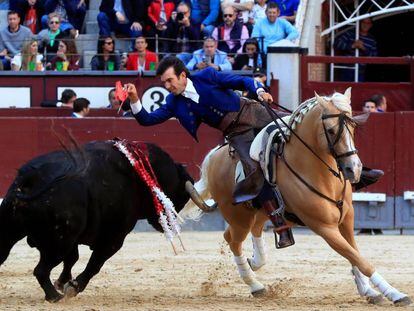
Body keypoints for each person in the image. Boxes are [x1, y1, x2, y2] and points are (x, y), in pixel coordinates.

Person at [125, 55, 295, 248]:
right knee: (253, 170)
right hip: (237, 133)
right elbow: (148, 119)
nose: (167, 86)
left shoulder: (207, 75)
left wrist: (260, 90)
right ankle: (281, 227)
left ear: (182, 75)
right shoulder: (173, 102)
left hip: (253, 112)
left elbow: (241, 81)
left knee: (294, 127)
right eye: (164, 82)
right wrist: (135, 100)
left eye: (169, 80)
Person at [334, 17, 377, 82]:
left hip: (360, 71)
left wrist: (363, 48)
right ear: (359, 23)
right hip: (346, 68)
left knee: (357, 91)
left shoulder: (372, 40)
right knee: (344, 90)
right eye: (363, 22)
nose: (365, 25)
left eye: (368, 23)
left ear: (371, 25)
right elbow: (336, 44)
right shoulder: (350, 34)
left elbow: (374, 57)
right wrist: (352, 45)